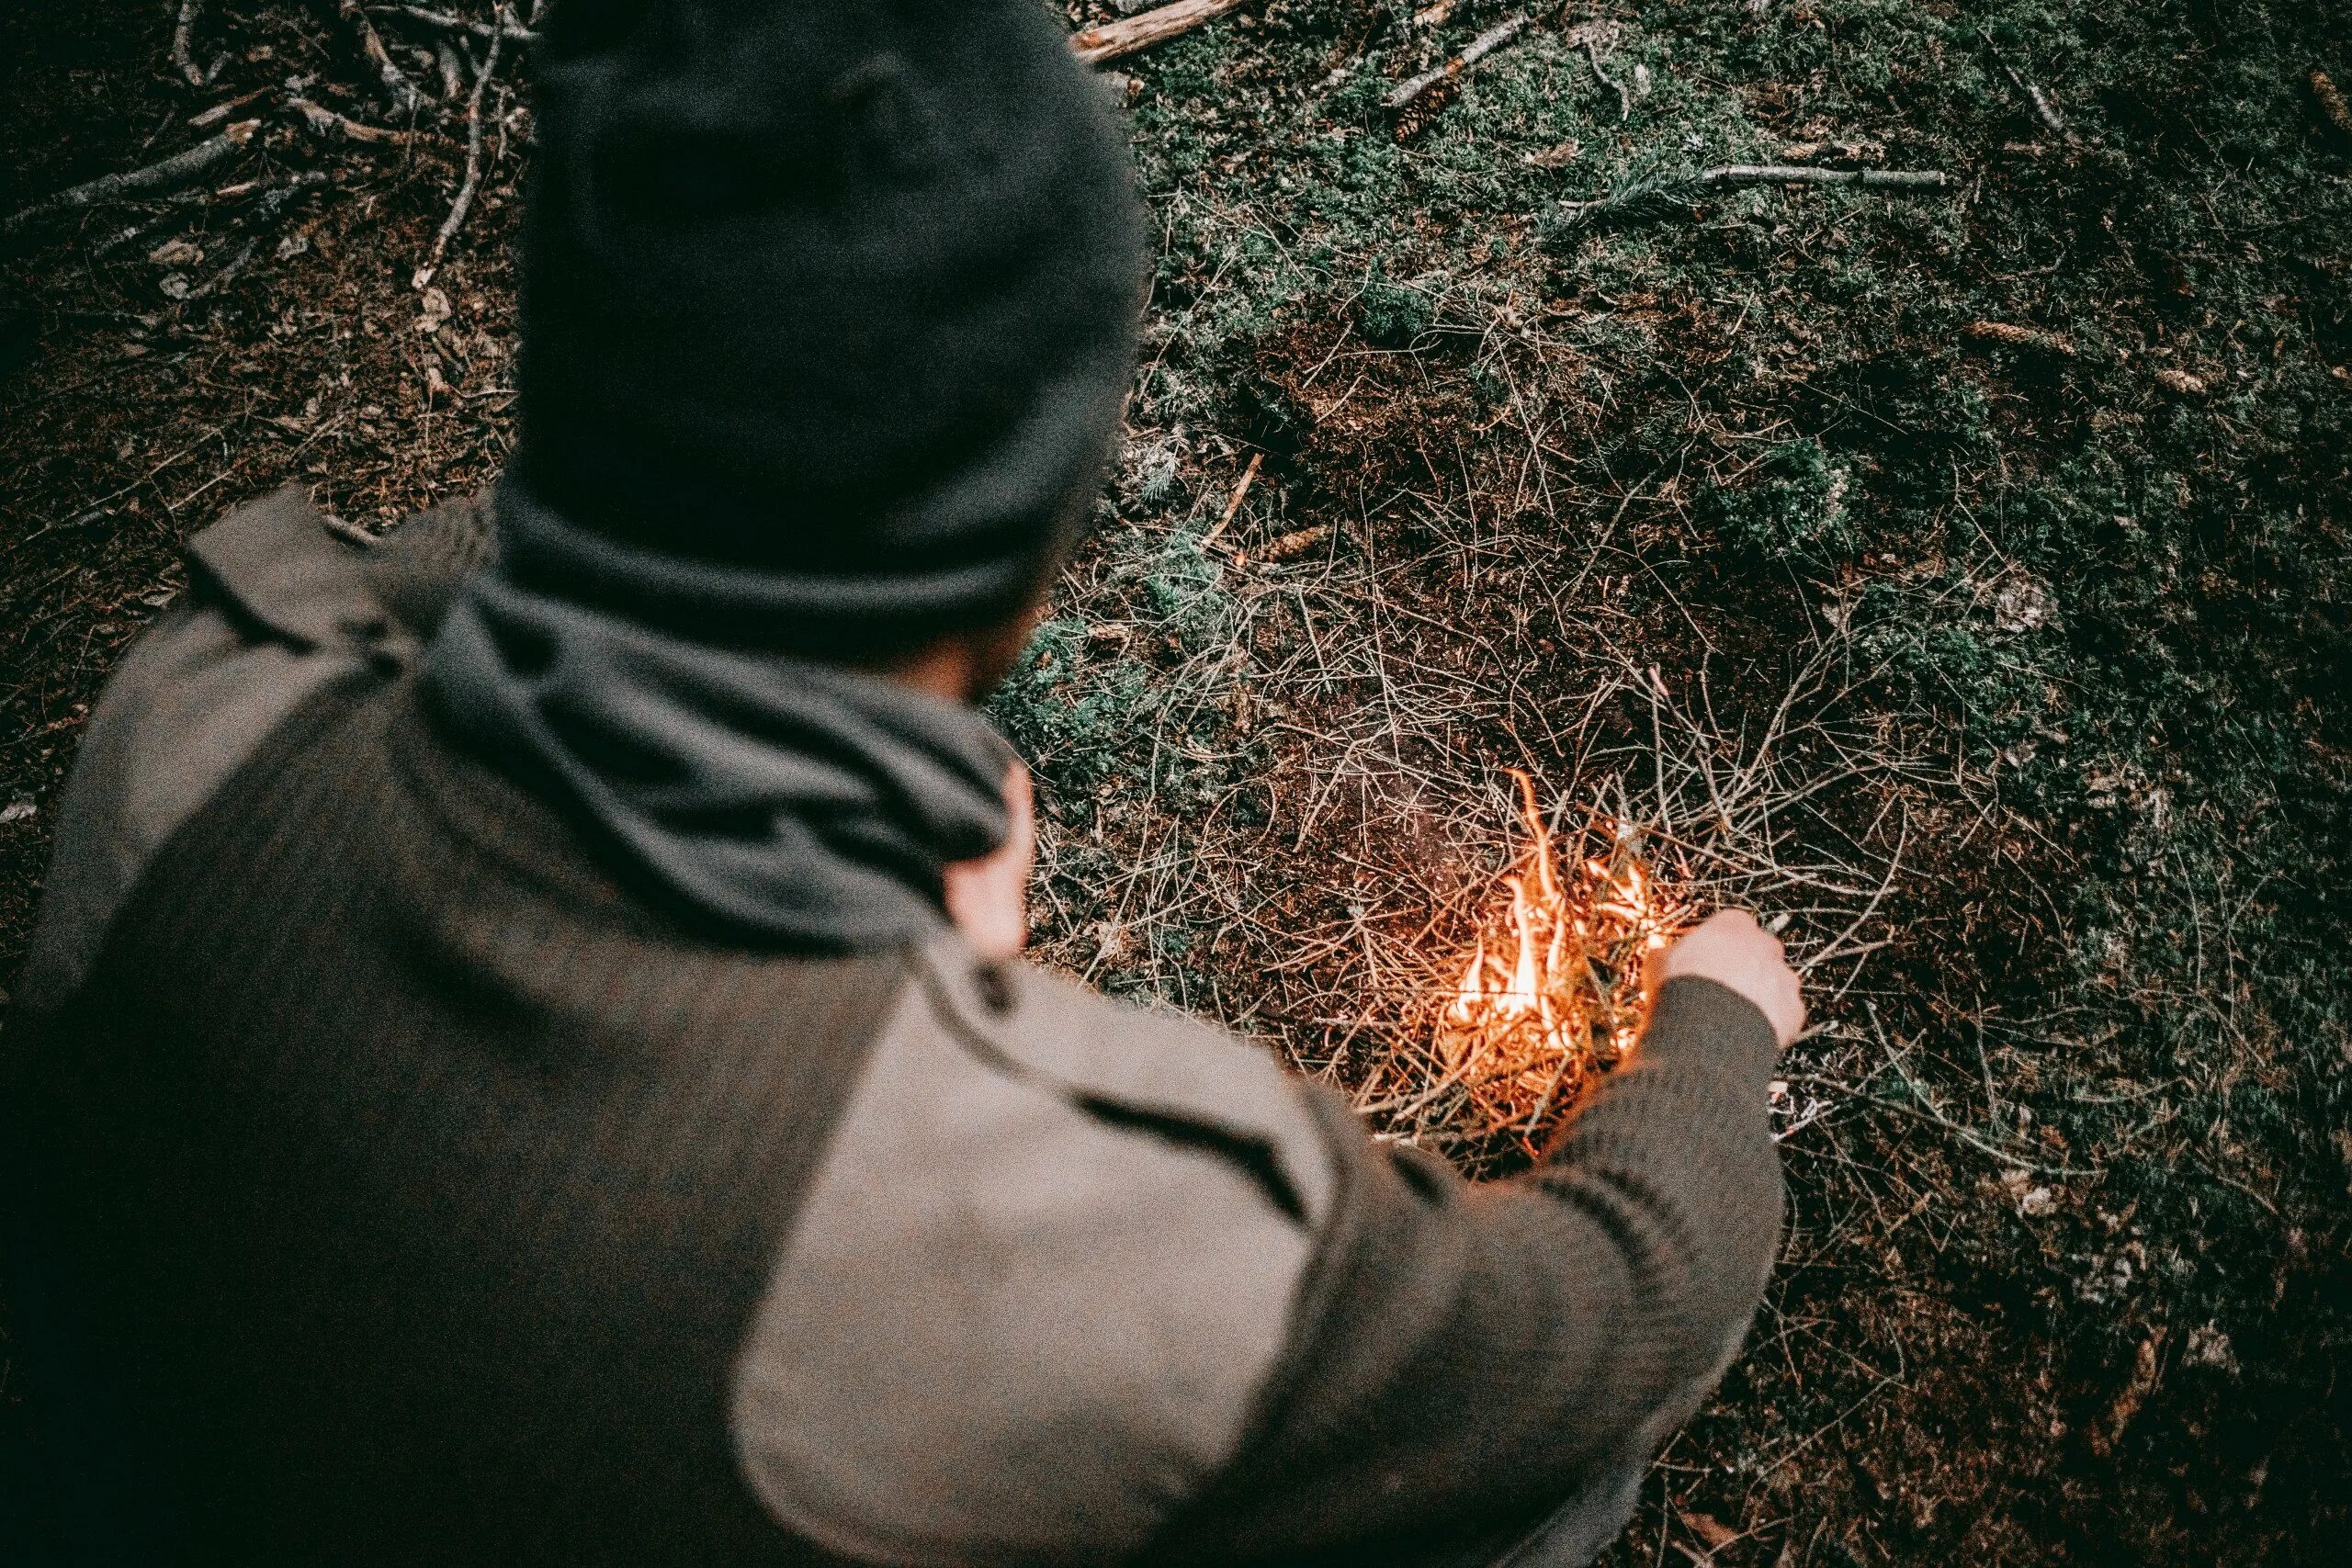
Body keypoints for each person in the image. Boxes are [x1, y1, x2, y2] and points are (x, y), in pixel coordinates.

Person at [3, 1, 1803, 1562]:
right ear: (1020, 532)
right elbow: (1617, 1302)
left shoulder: (199, 707)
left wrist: (843, 871)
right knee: (1513, 1485)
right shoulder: (1054, 1224)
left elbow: (498, 568)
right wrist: (1711, 1027)